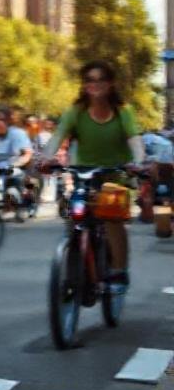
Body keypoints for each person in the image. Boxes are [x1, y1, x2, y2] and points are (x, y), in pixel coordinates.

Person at [38, 60, 145, 293]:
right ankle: (75, 251)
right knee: (72, 207)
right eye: (89, 80)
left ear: (110, 84)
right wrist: (46, 158)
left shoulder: (122, 111)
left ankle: (118, 271)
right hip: (84, 173)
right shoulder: (75, 112)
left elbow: (135, 142)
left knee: (111, 216)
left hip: (116, 175)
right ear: (84, 85)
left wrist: (137, 162)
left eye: (100, 80)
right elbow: (56, 138)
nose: (95, 84)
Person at [0, 106, 34, 199]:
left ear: (8, 120)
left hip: (13, 168)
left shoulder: (18, 134)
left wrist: (16, 164)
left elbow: (28, 154)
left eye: (1, 119)